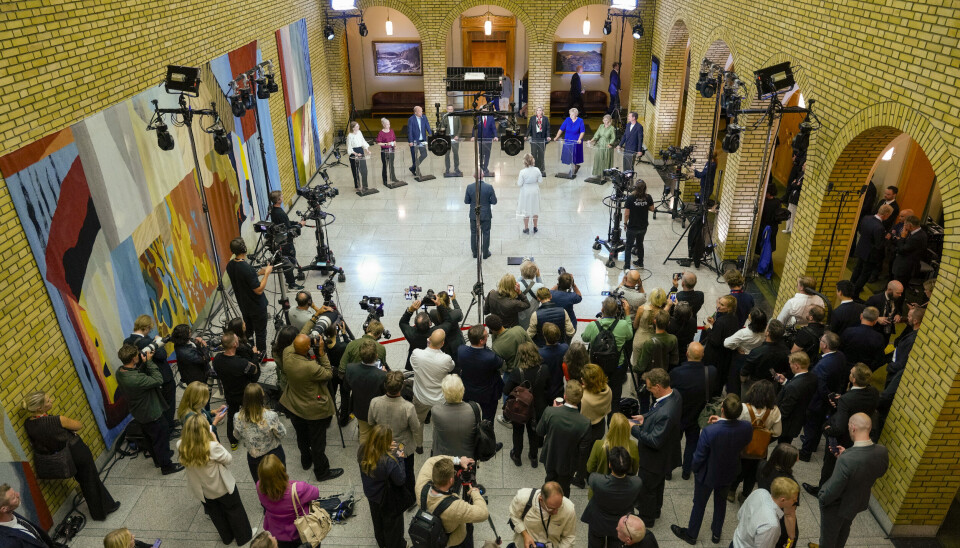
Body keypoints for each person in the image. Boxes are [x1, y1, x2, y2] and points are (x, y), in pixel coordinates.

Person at [21, 392, 118, 521]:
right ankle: (100, 512)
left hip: (63, 457)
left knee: (84, 480)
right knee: (90, 479)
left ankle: (107, 505)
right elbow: (78, 425)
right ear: (40, 408)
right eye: (48, 400)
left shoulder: (29, 424)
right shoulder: (58, 420)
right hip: (76, 451)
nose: (52, 400)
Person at [670, 394, 752, 545]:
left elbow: (699, 457)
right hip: (729, 471)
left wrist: (695, 469)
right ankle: (716, 534)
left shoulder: (710, 431)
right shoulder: (747, 427)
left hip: (707, 474)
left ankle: (692, 534)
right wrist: (721, 421)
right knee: (721, 502)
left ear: (722, 410)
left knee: (699, 504)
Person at [278, 308, 344, 482]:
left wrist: (315, 317)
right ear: (308, 348)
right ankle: (322, 472)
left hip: (293, 404)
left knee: (301, 436)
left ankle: (305, 460)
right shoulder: (310, 367)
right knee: (317, 442)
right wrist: (321, 353)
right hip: (313, 410)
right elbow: (328, 373)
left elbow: (302, 334)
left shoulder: (287, 353)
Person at [813, 413, 889, 548]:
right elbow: (879, 472)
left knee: (828, 538)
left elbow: (833, 490)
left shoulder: (847, 460)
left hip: (837, 506)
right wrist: (846, 454)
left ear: (853, 427)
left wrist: (822, 497)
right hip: (857, 501)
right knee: (844, 531)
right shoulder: (882, 451)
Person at [806, 363, 880, 498]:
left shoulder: (847, 400)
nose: (849, 374)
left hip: (842, 437)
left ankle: (822, 491)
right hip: (858, 436)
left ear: (854, 380)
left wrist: (828, 429)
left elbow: (839, 427)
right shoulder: (873, 392)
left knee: (829, 465)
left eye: (851, 373)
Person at [178, 414, 252, 546]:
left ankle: (227, 538)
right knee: (235, 510)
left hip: (203, 491)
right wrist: (215, 440)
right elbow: (228, 459)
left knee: (216, 515)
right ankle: (243, 537)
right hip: (222, 487)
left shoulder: (180, 445)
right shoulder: (211, 446)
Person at [115, 344, 182, 475]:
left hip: (139, 413)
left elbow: (137, 373)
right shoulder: (135, 379)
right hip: (151, 413)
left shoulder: (120, 372)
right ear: (134, 359)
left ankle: (158, 460)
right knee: (161, 440)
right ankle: (166, 466)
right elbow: (158, 379)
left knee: (150, 439)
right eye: (136, 356)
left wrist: (144, 363)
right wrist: (149, 362)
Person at [631, 368, 682, 527]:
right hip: (665, 456)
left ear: (658, 387)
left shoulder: (666, 412)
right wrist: (644, 417)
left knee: (647, 489)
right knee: (658, 485)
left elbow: (654, 440)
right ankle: (656, 510)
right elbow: (655, 412)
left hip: (654, 459)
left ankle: (647, 518)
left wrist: (633, 428)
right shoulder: (675, 395)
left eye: (650, 387)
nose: (648, 390)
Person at [415, 455, 489, 547]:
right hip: (449, 538)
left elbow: (431, 460)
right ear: (451, 480)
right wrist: (475, 492)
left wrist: (457, 461)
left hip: (427, 531)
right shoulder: (455, 507)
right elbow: (483, 513)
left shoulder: (420, 487)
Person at [668, 342, 718, 479]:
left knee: (673, 442)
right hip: (697, 414)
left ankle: (668, 471)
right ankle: (686, 471)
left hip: (678, 414)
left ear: (686, 354)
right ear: (703, 355)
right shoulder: (711, 372)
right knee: (692, 443)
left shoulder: (676, 373)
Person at [369, 371, 422, 494]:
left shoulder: (375, 402)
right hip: (402, 447)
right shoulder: (408, 407)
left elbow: (371, 422)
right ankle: (409, 496)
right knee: (407, 472)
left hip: (382, 444)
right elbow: (416, 428)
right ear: (402, 387)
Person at [729, 381, 783, 502]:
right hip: (760, 449)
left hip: (742, 446)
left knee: (738, 470)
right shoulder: (775, 410)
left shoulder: (743, 408)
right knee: (753, 474)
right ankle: (744, 495)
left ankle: (731, 492)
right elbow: (778, 432)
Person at [800, 332, 848, 462]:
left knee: (811, 427)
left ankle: (805, 453)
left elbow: (819, 386)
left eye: (821, 340)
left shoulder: (823, 365)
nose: (820, 341)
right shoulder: (840, 356)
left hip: (817, 402)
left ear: (825, 345)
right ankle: (813, 445)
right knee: (819, 424)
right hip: (830, 399)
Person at [582, 447, 643, 548]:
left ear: (610, 465)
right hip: (621, 524)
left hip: (598, 521)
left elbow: (591, 475)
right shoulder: (637, 483)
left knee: (595, 543)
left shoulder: (597, 481)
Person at [537, 382, 591, 496]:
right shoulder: (585, 423)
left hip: (550, 457)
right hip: (569, 463)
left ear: (565, 396)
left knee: (549, 482)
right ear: (580, 399)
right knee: (564, 488)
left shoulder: (550, 412)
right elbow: (583, 450)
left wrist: (554, 409)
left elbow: (540, 431)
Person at [581, 297, 634, 410]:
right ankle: (612, 419)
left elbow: (584, 338)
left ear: (602, 309)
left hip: (597, 366)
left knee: (596, 389)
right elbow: (630, 336)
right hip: (617, 366)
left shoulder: (593, 325)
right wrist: (628, 314)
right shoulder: (623, 325)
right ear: (617, 311)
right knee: (615, 395)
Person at [124, 314, 176, 430]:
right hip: (163, 377)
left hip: (147, 378)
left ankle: (164, 426)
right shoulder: (147, 341)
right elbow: (162, 355)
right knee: (168, 403)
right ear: (146, 327)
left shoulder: (127, 341)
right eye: (150, 329)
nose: (150, 331)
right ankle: (169, 427)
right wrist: (158, 342)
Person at [256, 454, 320, 548]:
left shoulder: (259, 487)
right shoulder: (298, 489)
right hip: (301, 531)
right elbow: (316, 493)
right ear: (282, 470)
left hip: (277, 532)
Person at [359, 425, 407, 548]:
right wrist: (399, 458)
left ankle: (382, 544)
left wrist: (384, 448)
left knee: (377, 522)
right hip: (387, 498)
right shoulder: (389, 461)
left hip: (371, 494)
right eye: (389, 440)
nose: (392, 442)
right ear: (384, 443)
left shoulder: (362, 449)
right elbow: (400, 480)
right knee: (393, 526)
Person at [212, 332, 260, 449]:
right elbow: (254, 371)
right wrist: (254, 355)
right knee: (251, 415)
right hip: (244, 395)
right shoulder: (241, 363)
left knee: (231, 417)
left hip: (229, 393)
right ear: (234, 344)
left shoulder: (217, 359)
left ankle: (233, 441)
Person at [504, 341, 549, 467]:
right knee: (533, 432)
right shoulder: (544, 369)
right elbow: (548, 388)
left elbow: (506, 391)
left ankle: (517, 456)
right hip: (538, 407)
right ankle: (533, 458)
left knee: (517, 432)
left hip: (520, 407)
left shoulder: (517, 372)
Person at [225, 237, 271, 352]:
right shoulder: (247, 268)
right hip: (256, 307)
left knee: (248, 331)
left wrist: (257, 274)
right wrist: (266, 274)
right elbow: (258, 290)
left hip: (244, 306)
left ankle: (250, 351)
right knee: (260, 333)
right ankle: (261, 355)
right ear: (244, 249)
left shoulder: (230, 265)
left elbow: (243, 280)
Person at [233, 383, 286, 482]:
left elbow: (236, 436)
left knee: (261, 486)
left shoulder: (237, 417)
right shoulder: (271, 415)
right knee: (280, 483)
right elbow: (281, 433)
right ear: (261, 397)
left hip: (254, 458)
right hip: (273, 455)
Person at [411, 330, 456, 439]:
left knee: (418, 421)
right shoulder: (446, 359)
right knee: (440, 425)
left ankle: (418, 445)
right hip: (439, 399)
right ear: (443, 343)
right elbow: (452, 367)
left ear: (429, 339)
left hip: (420, 397)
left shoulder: (417, 354)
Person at [574, 364, 612, 488]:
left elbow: (578, 417)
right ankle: (590, 475)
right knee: (593, 453)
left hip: (586, 429)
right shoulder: (607, 390)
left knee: (582, 455)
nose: (581, 380)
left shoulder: (584, 398)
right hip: (600, 426)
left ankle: (579, 479)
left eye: (583, 379)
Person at [732, 477, 799, 548]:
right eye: (794, 500)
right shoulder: (772, 525)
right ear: (783, 500)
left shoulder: (760, 492)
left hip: (736, 541)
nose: (796, 501)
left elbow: (740, 514)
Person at [757, 444, 801, 548]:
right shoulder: (790, 485)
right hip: (780, 522)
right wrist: (791, 538)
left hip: (763, 513)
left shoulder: (762, 466)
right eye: (795, 458)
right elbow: (789, 514)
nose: (798, 460)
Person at [585, 413, 640, 497]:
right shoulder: (632, 446)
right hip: (623, 491)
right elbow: (634, 470)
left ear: (611, 427)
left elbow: (590, 468)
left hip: (600, 491)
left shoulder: (599, 445)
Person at [508, 482, 577, 548]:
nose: (556, 512)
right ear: (540, 499)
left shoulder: (568, 509)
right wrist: (525, 534)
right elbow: (514, 516)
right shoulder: (523, 498)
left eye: (558, 507)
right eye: (551, 508)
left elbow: (569, 537)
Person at [345, 338, 387, 445]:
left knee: (363, 433)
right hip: (377, 410)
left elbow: (346, 387)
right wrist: (384, 373)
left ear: (360, 355)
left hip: (360, 408)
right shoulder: (382, 375)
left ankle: (364, 455)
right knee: (378, 432)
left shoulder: (350, 368)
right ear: (376, 356)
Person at [458, 324, 505, 421]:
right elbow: (500, 364)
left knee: (469, 418)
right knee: (487, 420)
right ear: (481, 341)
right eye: (487, 336)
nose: (488, 337)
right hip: (487, 393)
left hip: (468, 391)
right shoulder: (490, 357)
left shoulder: (461, 350)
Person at [432, 375, 481, 459]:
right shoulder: (475, 408)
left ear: (444, 393)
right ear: (462, 390)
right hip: (468, 458)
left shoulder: (436, 411)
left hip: (444, 458)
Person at [774, 352, 817, 446]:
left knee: (782, 446)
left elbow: (784, 410)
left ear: (796, 366)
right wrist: (785, 382)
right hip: (798, 420)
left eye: (790, 364)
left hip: (787, 425)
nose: (790, 366)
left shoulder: (793, 386)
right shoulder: (812, 377)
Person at [0, 484, 63, 548]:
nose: (18, 494)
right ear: (4, 509)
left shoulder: (11, 513)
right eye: (13, 497)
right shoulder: (7, 542)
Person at [701, 295, 741, 393]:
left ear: (729, 308)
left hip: (715, 357)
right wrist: (714, 324)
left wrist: (709, 329)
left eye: (722, 305)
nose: (718, 306)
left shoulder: (721, 322)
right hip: (725, 356)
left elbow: (715, 341)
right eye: (719, 302)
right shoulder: (734, 318)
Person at [851, 204, 893, 296]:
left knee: (857, 269)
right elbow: (879, 245)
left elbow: (860, 231)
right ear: (886, 214)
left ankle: (850, 286)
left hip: (861, 248)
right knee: (865, 274)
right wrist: (887, 238)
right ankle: (855, 293)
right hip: (870, 254)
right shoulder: (880, 227)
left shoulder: (866, 218)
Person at [724, 307, 768, 394]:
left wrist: (737, 347)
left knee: (735, 380)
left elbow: (727, 343)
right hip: (755, 357)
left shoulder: (744, 333)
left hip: (741, 358)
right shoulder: (765, 332)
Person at [739, 319, 790, 394]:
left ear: (768, 333)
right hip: (772, 385)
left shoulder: (757, 352)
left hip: (754, 385)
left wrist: (743, 381)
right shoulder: (786, 351)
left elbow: (744, 373)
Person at [400, 301, 446, 370]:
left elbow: (402, 322)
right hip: (432, 363)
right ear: (430, 323)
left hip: (415, 364)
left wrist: (410, 310)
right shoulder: (436, 332)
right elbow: (448, 321)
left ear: (415, 325)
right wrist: (439, 305)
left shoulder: (411, 334)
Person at [839, 307, 886, 371]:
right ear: (875, 321)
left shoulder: (848, 331)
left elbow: (839, 349)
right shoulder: (879, 338)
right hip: (863, 371)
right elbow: (880, 360)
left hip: (845, 367)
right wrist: (869, 368)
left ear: (861, 316)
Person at [464, 172, 498, 259]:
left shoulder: (469, 187)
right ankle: (485, 253)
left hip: (474, 213)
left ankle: (475, 253)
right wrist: (487, 202)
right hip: (486, 213)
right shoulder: (489, 187)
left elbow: (466, 201)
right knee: (486, 233)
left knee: (474, 233)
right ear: (483, 175)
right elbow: (494, 201)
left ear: (473, 176)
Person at [623, 180, 654, 269]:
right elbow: (652, 209)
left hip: (632, 227)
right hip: (643, 227)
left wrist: (625, 223)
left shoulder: (630, 198)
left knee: (628, 246)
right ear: (645, 188)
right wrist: (643, 206)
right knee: (640, 244)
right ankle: (640, 262)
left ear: (635, 188)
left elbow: (626, 214)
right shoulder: (648, 197)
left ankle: (627, 266)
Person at [892, 215, 928, 286]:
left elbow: (902, 250)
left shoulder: (916, 237)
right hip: (907, 265)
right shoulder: (919, 232)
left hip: (905, 268)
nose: (904, 226)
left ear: (910, 225)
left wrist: (902, 237)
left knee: (898, 288)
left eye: (905, 224)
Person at [865, 280, 903, 345]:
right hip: (874, 331)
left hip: (887, 333)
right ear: (889, 290)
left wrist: (898, 315)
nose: (900, 295)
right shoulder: (875, 299)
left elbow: (898, 310)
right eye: (898, 293)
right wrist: (877, 318)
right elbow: (864, 313)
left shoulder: (897, 298)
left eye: (901, 293)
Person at [538, 324, 569, 400]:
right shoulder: (565, 348)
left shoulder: (540, 354)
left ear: (544, 336)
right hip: (560, 388)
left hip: (546, 390)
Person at [554, 108, 586, 177]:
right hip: (568, 140)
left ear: (576, 114)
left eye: (573, 114)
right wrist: (557, 137)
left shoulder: (580, 121)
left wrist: (580, 139)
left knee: (574, 155)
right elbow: (561, 129)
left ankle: (573, 167)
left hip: (576, 141)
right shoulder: (567, 120)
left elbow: (582, 131)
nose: (571, 115)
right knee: (569, 155)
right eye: (570, 114)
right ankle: (574, 166)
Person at [550, 271, 583, 336]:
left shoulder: (552, 294)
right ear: (569, 285)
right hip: (569, 326)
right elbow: (579, 296)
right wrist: (573, 285)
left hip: (554, 325)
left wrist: (559, 283)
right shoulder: (572, 296)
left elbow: (550, 291)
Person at [516, 153, 542, 234]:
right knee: (535, 209)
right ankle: (535, 227)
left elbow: (519, 184)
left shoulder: (522, 172)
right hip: (535, 190)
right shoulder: (537, 170)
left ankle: (526, 228)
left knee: (526, 209)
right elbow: (540, 181)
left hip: (526, 191)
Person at [755, 185, 782, 258]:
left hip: (764, 226)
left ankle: (761, 257)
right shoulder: (777, 202)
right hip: (773, 227)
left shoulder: (765, 203)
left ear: (769, 193)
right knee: (770, 243)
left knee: (761, 242)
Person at [346, 121, 371, 193]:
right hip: (354, 152)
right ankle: (357, 186)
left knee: (364, 169)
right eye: (357, 126)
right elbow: (349, 147)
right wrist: (356, 154)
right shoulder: (349, 136)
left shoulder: (359, 132)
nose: (358, 127)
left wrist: (367, 150)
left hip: (360, 150)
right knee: (355, 170)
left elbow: (363, 141)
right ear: (353, 128)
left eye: (358, 126)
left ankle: (365, 185)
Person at [407, 106, 432, 175]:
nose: (422, 112)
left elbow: (428, 126)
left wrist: (431, 134)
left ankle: (413, 167)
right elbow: (410, 131)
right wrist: (410, 141)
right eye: (420, 111)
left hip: (422, 140)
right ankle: (417, 170)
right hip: (414, 141)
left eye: (422, 110)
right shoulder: (411, 119)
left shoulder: (424, 117)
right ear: (415, 112)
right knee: (414, 156)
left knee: (424, 154)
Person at [375, 117, 402, 184]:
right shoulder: (381, 133)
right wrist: (386, 144)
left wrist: (395, 143)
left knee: (391, 164)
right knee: (385, 165)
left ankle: (393, 177)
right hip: (384, 151)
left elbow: (394, 139)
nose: (388, 125)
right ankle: (385, 179)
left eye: (389, 124)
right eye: (387, 124)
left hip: (391, 150)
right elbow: (378, 143)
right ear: (383, 125)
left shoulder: (392, 131)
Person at [526, 106, 551, 176]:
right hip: (534, 138)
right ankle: (533, 168)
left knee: (541, 154)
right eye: (537, 110)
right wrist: (526, 136)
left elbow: (548, 129)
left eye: (540, 110)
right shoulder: (532, 118)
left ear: (542, 112)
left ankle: (541, 169)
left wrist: (548, 136)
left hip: (542, 139)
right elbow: (529, 128)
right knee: (533, 153)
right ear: (536, 112)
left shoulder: (545, 119)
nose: (539, 112)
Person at [440, 105, 463, 177]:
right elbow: (442, 127)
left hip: (455, 137)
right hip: (447, 138)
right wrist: (444, 135)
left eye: (451, 109)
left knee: (456, 153)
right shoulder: (444, 117)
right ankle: (447, 169)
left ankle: (456, 168)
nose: (450, 111)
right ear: (447, 110)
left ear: (453, 110)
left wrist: (457, 135)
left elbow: (460, 127)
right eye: (449, 109)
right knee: (447, 154)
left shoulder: (457, 117)